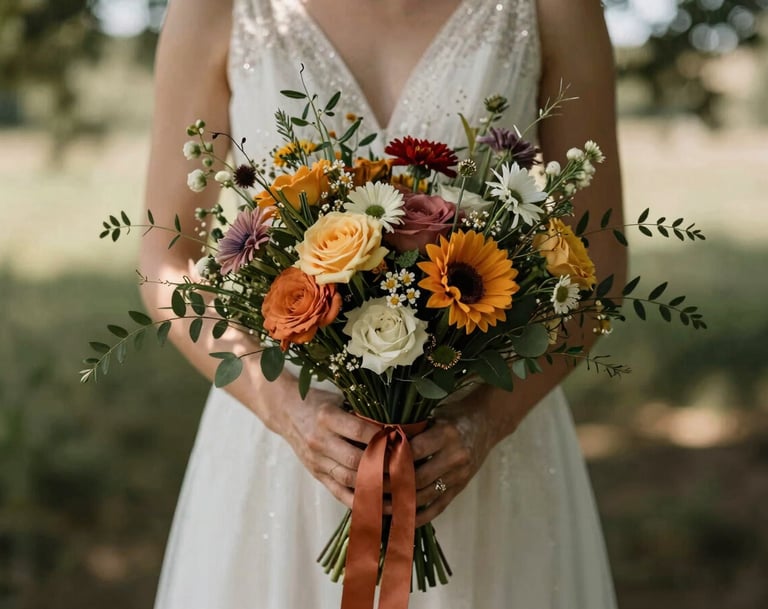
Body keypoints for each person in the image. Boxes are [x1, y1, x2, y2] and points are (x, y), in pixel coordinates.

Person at [141, 0, 626, 607]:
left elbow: (599, 266)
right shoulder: (216, 10)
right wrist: (285, 411)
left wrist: (487, 422)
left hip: (489, 450)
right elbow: (165, 261)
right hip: (280, 456)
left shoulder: (552, 9)